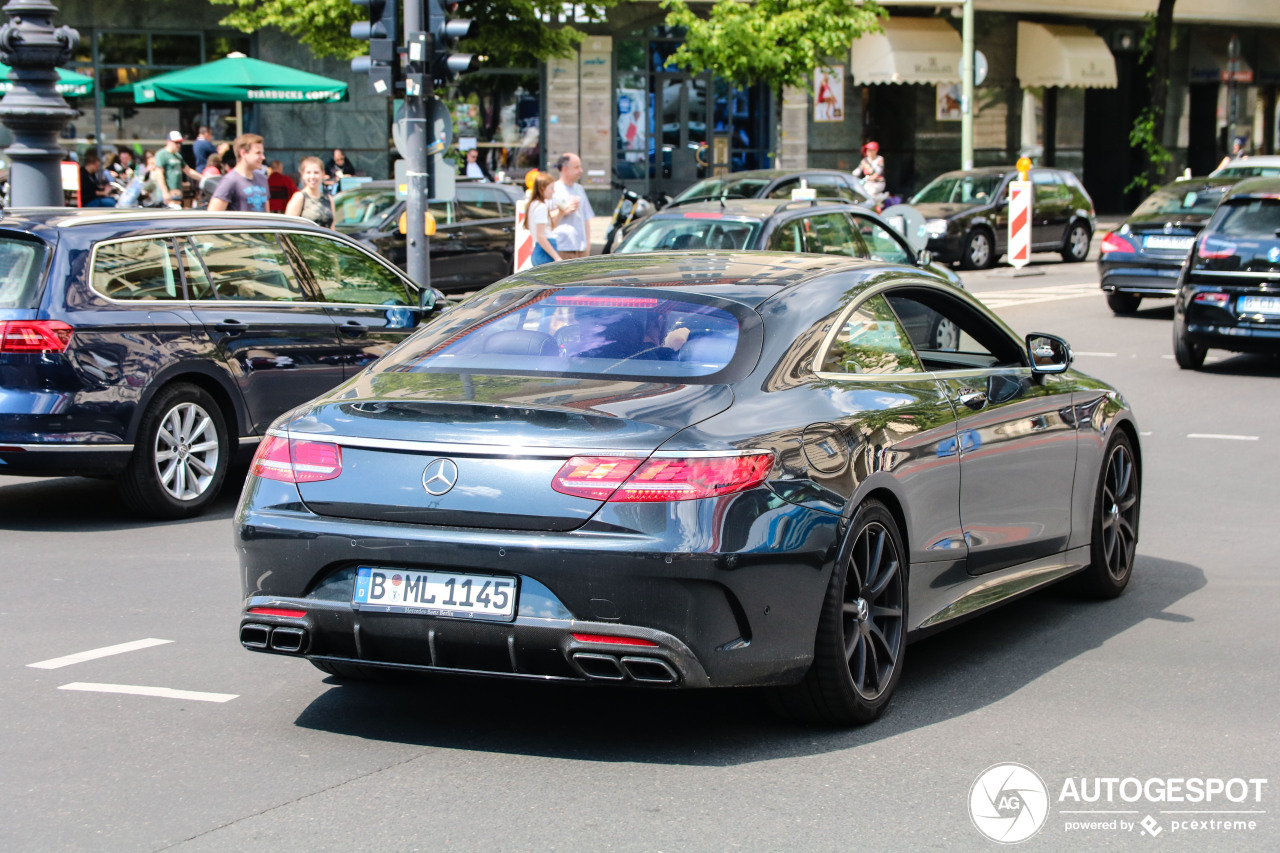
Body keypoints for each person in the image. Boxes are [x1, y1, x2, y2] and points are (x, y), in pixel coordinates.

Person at [208, 133, 269, 213]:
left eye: (262, 153)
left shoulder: (262, 179)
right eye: (258, 153)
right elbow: (213, 215)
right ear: (243, 153)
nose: (263, 157)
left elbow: (267, 213)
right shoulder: (230, 180)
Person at [549, 152, 594, 259]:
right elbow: (545, 217)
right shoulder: (553, 189)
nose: (580, 170)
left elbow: (586, 218)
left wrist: (587, 245)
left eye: (580, 166)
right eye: (576, 167)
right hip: (561, 248)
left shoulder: (579, 189)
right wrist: (563, 211)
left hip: (580, 250)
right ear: (565, 169)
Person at [155, 131, 202, 209]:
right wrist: (165, 192)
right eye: (176, 142)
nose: (179, 145)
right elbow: (159, 174)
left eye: (180, 143)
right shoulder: (161, 154)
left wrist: (203, 178)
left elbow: (188, 171)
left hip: (177, 196)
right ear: (169, 142)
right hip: (167, 196)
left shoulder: (178, 156)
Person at [285, 156, 334, 228]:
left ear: (323, 174)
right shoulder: (299, 197)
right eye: (308, 172)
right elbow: (287, 228)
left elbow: (332, 228)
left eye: (316, 172)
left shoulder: (329, 199)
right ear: (303, 175)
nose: (312, 176)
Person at [527, 171, 561, 265]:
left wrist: (561, 213)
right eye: (551, 188)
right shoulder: (541, 207)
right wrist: (556, 257)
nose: (553, 191)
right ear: (542, 189)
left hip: (540, 250)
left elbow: (548, 228)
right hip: (544, 252)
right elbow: (541, 236)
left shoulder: (533, 204)